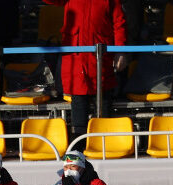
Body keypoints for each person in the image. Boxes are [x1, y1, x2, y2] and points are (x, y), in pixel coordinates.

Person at [43, 0, 127, 138]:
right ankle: (79, 146)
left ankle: (103, 144)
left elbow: (119, 23)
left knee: (104, 103)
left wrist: (121, 51)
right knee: (79, 104)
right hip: (77, 60)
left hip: (101, 59)